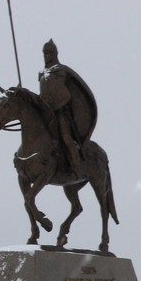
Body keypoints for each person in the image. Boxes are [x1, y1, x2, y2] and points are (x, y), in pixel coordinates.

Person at [38, 39, 98, 178]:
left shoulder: (60, 71)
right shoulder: (42, 74)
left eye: (49, 52)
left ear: (55, 53)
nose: (47, 55)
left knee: (66, 137)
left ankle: (75, 165)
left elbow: (64, 94)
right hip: (46, 113)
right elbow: (43, 94)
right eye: (45, 53)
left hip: (60, 112)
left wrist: (54, 105)